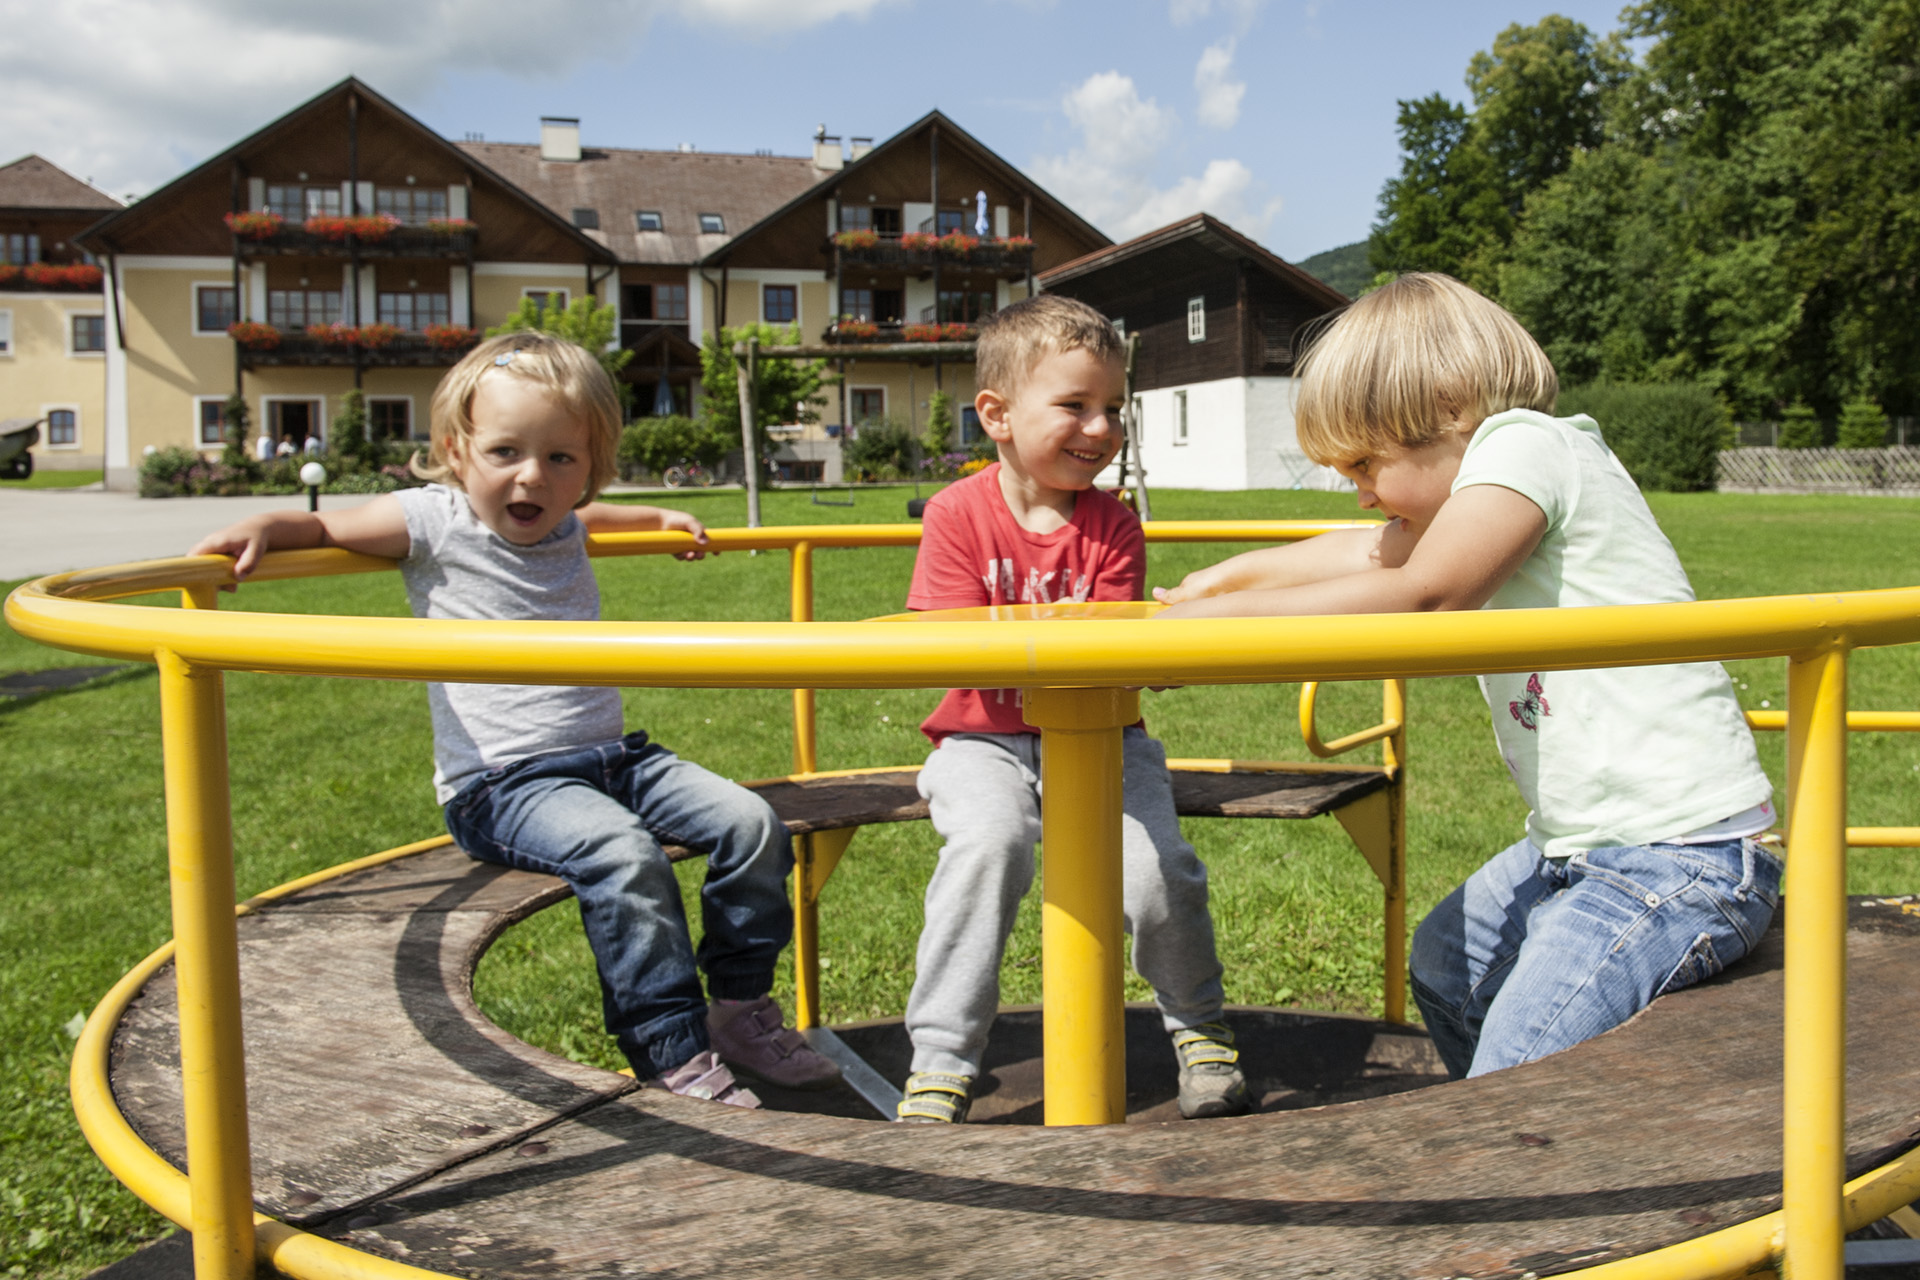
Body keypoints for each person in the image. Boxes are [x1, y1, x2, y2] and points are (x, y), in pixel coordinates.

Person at [189, 332, 839, 1107]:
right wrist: (269, 527)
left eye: (561, 459)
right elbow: (329, 529)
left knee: (750, 822)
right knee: (624, 854)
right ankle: (670, 1052)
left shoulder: (566, 519)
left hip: (611, 758)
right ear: (457, 451)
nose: (531, 477)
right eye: (505, 452)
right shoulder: (434, 521)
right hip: (503, 783)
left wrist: (662, 517)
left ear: (588, 468)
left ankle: (736, 1007)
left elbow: (603, 518)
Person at [1155, 273, 1779, 1079]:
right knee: (1449, 966)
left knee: (1515, 1073)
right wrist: (1226, 579)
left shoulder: (1529, 445)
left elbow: (1426, 592)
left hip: (1677, 855)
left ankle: (1521, 1160)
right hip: (1578, 845)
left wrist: (1209, 630)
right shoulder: (1476, 487)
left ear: (1449, 404)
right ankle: (1543, 1132)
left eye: (1365, 465)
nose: (1361, 497)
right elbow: (1363, 553)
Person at [895, 295, 1250, 1124]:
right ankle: (942, 1061)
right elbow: (948, 647)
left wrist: (1152, 655)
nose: (1099, 428)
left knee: (1159, 873)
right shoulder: (956, 515)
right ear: (997, 415)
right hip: (982, 741)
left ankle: (1200, 1030)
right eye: (1074, 406)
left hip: (1101, 739)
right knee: (988, 846)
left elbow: (1111, 652)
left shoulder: (1114, 526)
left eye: (1112, 409)